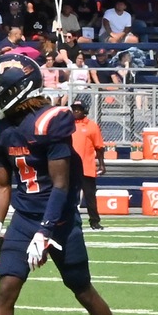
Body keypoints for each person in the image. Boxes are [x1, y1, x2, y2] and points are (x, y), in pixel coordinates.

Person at [0, 53, 137, 315]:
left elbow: (62, 185)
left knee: (82, 290)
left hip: (60, 218)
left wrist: (46, 232)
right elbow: (3, 184)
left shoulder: (52, 121)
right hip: (24, 217)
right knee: (6, 287)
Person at [70, 94, 106, 229]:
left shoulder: (91, 126)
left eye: (79, 109)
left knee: (90, 195)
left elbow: (99, 147)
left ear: (85, 111)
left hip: (86, 166)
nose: (76, 112)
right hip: (70, 167)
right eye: (74, 109)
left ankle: (94, 221)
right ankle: (70, 220)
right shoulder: (67, 125)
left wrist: (102, 165)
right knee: (70, 196)